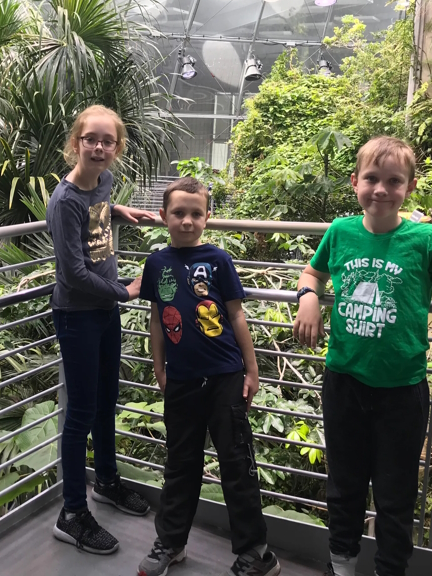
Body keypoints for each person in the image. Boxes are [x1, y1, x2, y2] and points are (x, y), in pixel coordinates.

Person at [292, 136, 432, 576]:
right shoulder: (340, 232)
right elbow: (312, 271)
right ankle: (340, 566)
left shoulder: (425, 240)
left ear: (410, 187)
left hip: (402, 389)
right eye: (372, 179)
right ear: (355, 182)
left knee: (396, 495)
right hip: (344, 380)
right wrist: (308, 295)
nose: (381, 189)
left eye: (393, 181)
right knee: (344, 486)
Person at [137, 177, 281, 576]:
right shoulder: (157, 263)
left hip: (225, 377)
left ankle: (257, 553)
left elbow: (236, 313)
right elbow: (156, 319)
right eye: (179, 213)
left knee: (236, 462)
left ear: (207, 218)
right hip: (181, 380)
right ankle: (171, 542)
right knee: (180, 463)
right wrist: (159, 366)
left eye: (196, 214)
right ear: (164, 216)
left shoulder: (218, 260)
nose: (187, 221)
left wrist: (251, 370)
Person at [46, 104, 155, 555]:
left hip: (105, 311)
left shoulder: (103, 183)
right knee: (81, 413)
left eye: (107, 141)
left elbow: (100, 206)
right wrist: (125, 292)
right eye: (90, 138)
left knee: (108, 399)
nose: (98, 146)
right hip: (79, 315)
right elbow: (71, 274)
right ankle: (71, 513)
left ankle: (106, 481)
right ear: (76, 143)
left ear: (116, 148)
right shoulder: (65, 201)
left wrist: (119, 212)